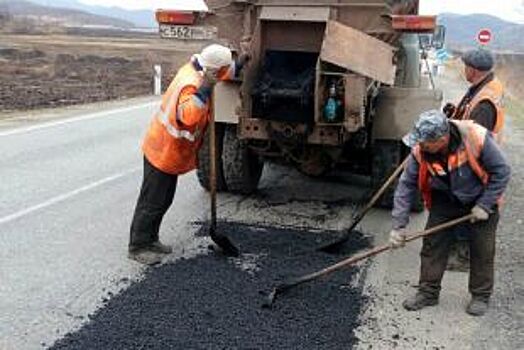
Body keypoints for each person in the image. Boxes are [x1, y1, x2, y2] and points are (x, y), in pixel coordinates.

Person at [128, 44, 249, 265]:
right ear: (212, 71)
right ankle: (138, 245)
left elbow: (223, 72)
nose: (224, 74)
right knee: (153, 201)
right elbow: (188, 116)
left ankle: (151, 239)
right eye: (222, 71)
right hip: (162, 150)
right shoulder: (191, 84)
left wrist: (239, 64)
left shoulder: (200, 69)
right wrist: (204, 90)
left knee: (163, 199)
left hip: (169, 152)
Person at [389, 110, 510, 316]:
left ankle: (480, 295)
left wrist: (485, 204)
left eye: (425, 142)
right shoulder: (420, 150)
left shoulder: (475, 137)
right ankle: (428, 292)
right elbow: (406, 186)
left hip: (480, 197)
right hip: (444, 198)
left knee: (482, 248)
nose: (419, 146)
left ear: (442, 139)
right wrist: (398, 226)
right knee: (433, 244)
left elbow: (502, 171)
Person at [443, 48, 505, 271]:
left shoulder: (485, 102)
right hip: (475, 157)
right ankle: (459, 249)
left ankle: (464, 257)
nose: (464, 69)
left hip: (477, 163)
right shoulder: (483, 87)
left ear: (474, 70)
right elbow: (467, 119)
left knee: (467, 203)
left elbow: (475, 136)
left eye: (466, 66)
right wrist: (455, 115)